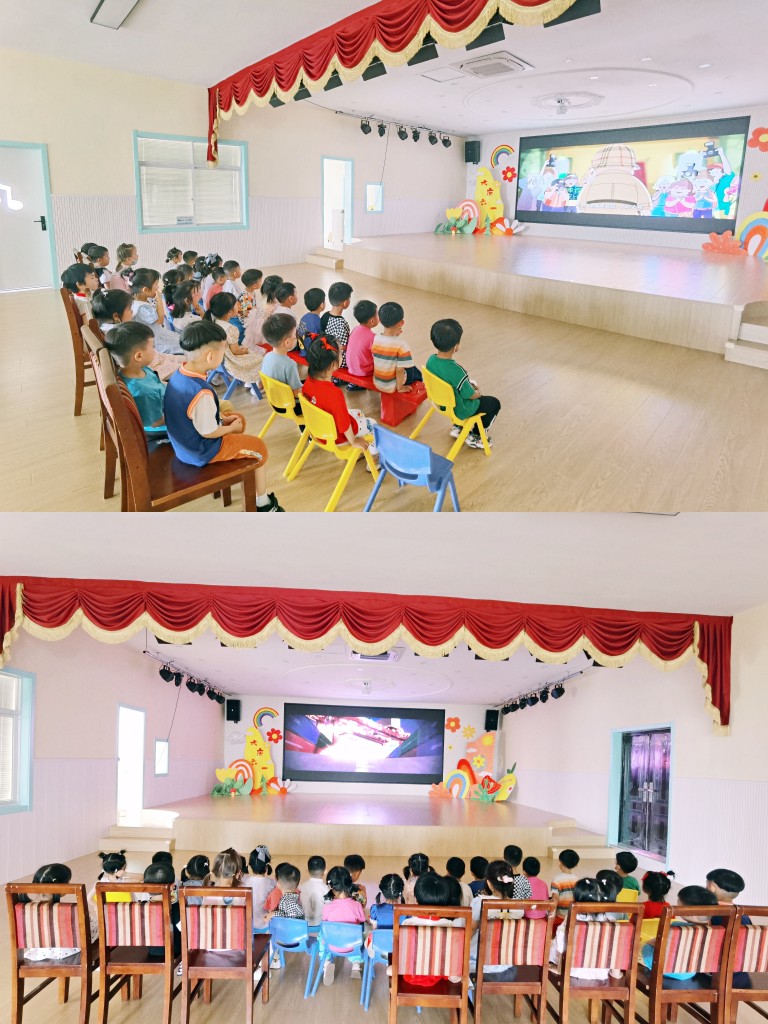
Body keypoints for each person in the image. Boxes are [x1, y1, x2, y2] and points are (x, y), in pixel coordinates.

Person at [163, 320, 283, 510]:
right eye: (224, 350)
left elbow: (195, 416)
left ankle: (237, 459)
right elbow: (208, 432)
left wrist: (225, 421)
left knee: (238, 419)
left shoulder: (180, 374)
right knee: (259, 448)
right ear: (211, 356)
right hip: (201, 451)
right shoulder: (201, 392)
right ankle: (263, 502)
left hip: (185, 443)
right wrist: (230, 428)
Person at [426, 318, 500, 449]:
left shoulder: (430, 361)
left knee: (457, 391)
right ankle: (476, 436)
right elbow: (469, 395)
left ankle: (458, 427)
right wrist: (478, 392)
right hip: (459, 409)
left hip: (440, 403)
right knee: (493, 403)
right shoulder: (457, 371)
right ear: (456, 347)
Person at [301, 335, 377, 453]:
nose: (342, 355)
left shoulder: (307, 382)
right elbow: (344, 424)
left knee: (359, 413)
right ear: (333, 365)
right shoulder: (334, 393)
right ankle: (373, 454)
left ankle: (363, 448)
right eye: (341, 354)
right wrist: (353, 441)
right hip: (336, 438)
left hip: (318, 431)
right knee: (372, 424)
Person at [103, 322, 168, 441]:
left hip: (165, 404)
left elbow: (158, 385)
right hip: (159, 430)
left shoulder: (138, 370)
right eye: (152, 346)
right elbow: (155, 422)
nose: (155, 350)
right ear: (139, 356)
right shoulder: (144, 392)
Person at [550, 878, 622, 981]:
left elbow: (561, 944)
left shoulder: (572, 918)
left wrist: (559, 968)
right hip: (600, 973)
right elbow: (616, 948)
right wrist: (616, 973)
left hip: (571, 969)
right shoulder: (611, 922)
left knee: (553, 944)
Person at [641, 885, 718, 980]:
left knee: (647, 946)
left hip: (666, 969)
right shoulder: (715, 931)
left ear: (689, 912)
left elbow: (659, 944)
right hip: (690, 972)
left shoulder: (676, 927)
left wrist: (648, 942)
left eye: (679, 907)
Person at [23, 864, 94, 960]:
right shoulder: (66, 910)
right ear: (61, 885)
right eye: (68, 881)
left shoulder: (27, 909)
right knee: (97, 927)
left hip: (40, 951)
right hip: (65, 951)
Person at [469, 860, 523, 974]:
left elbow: (472, 929)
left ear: (489, 883)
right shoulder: (518, 906)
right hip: (506, 962)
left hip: (479, 961)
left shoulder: (479, 902)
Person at [205, 293, 263, 394]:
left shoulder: (212, 322)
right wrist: (244, 350)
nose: (239, 306)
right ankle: (256, 385)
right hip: (230, 363)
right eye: (237, 305)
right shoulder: (230, 329)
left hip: (218, 362)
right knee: (260, 359)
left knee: (253, 353)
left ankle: (251, 382)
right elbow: (236, 351)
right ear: (229, 312)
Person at [321, 865, 366, 985]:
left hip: (332, 945)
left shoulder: (327, 907)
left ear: (330, 886)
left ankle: (326, 963)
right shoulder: (356, 905)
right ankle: (356, 964)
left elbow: (325, 924)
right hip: (352, 947)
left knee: (321, 935)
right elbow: (362, 919)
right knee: (360, 932)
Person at [372, 301, 422, 394]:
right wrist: (400, 388)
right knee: (416, 373)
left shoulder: (376, 338)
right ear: (401, 323)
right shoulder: (402, 345)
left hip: (378, 382)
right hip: (391, 385)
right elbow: (399, 370)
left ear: (380, 321)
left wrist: (395, 336)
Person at [130, 269, 182, 355]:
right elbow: (160, 320)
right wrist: (159, 299)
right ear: (145, 290)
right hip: (155, 342)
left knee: (181, 340)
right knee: (184, 347)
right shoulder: (141, 307)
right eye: (156, 285)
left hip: (160, 334)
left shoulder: (145, 300)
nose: (158, 287)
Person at [139, 861, 181, 957]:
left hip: (148, 951)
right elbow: (183, 930)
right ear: (172, 886)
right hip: (175, 953)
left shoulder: (140, 907)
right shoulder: (176, 907)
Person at [262, 314, 306, 400]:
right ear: (287, 342)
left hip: (274, 400)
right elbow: (297, 394)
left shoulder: (266, 357)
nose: (297, 337)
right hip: (290, 404)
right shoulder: (290, 364)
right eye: (295, 335)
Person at [320, 281, 353, 368]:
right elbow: (342, 347)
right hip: (336, 361)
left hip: (324, 355)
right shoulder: (342, 324)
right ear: (345, 303)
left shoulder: (325, 315)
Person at [243, 845, 275, 932]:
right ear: (267, 867)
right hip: (265, 927)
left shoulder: (244, 881)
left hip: (246, 925)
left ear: (250, 866)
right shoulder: (272, 884)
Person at [346, 300, 378, 382]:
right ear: (372, 321)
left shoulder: (355, 329)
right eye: (377, 314)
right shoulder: (373, 337)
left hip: (351, 368)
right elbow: (378, 358)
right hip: (364, 372)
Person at [639, 870, 674, 943]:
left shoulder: (641, 907)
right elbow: (671, 925)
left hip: (642, 942)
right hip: (661, 942)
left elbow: (632, 925)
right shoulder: (669, 908)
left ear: (645, 888)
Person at [550, 849, 580, 927]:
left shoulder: (557, 880)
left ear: (560, 862)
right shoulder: (577, 880)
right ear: (576, 864)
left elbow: (555, 899)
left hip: (560, 917)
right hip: (573, 917)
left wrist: (551, 915)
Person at [300, 855, 327, 929]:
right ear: (325, 871)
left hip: (304, 926)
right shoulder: (326, 889)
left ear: (307, 871)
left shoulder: (302, 886)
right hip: (319, 927)